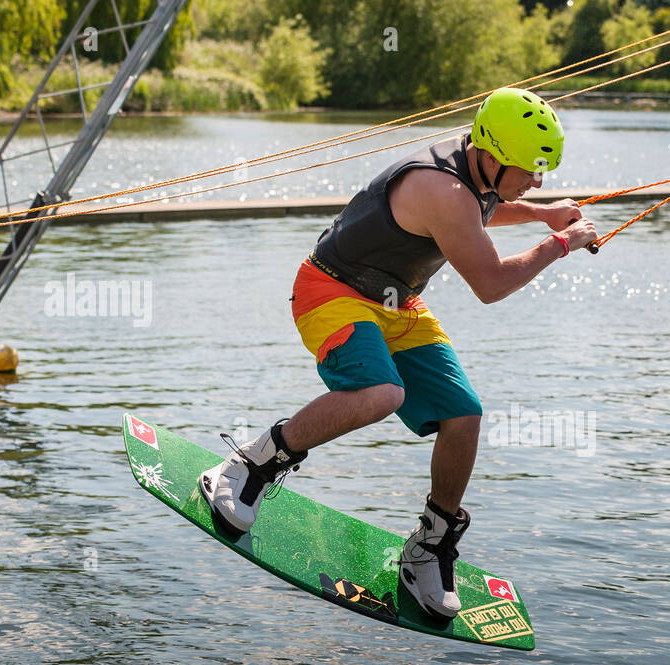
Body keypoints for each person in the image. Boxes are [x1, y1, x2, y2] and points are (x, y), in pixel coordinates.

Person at [200, 87, 599, 623]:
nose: (539, 179)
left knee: (464, 415)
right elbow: (490, 282)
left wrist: (541, 214)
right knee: (382, 393)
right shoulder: (442, 189)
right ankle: (250, 464)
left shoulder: (474, 171)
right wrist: (560, 244)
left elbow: (484, 210)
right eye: (530, 169)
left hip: (396, 303)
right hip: (331, 290)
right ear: (494, 154)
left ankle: (429, 548)